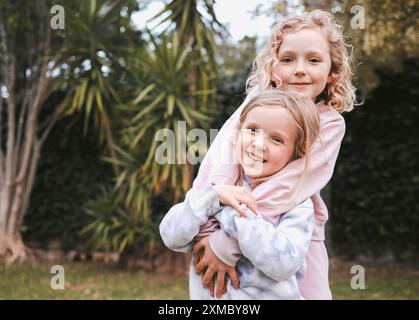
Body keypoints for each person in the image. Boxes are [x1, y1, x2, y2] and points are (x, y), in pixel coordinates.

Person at [192, 9, 357, 299]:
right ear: (273, 67)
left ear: (333, 72)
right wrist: (207, 227)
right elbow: (221, 160)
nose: (300, 69)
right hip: (225, 226)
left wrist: (228, 242)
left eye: (314, 60)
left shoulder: (329, 122)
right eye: (288, 59)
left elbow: (290, 184)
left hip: (292, 238)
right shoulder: (254, 106)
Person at [160, 90, 321, 299]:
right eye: (253, 130)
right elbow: (170, 236)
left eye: (277, 140)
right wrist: (212, 198)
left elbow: (284, 263)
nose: (259, 144)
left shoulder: (296, 203)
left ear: (296, 152)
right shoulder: (218, 187)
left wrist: (236, 215)